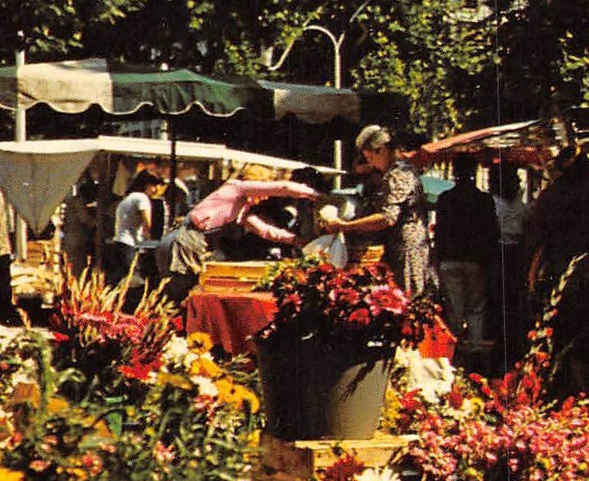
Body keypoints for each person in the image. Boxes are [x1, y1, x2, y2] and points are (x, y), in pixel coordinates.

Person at [522, 145, 589, 401]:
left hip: (558, 271)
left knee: (559, 332)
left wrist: (533, 274)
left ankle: (558, 390)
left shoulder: (548, 197)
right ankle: (587, 392)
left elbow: (537, 239)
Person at [159, 173, 322, 304]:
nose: (265, 197)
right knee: (180, 291)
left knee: (186, 292)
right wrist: (315, 195)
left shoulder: (241, 210)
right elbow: (283, 187)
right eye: (262, 192)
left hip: (184, 241)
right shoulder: (236, 187)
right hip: (184, 242)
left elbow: (264, 231)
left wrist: (296, 240)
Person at [322, 124, 432, 297]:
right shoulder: (394, 171)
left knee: (409, 305)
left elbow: (387, 218)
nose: (371, 164)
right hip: (399, 249)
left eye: (370, 158)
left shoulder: (400, 173)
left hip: (408, 252)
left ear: (381, 150)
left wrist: (344, 226)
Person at [434, 151, 503, 369]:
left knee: (454, 308)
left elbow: (439, 232)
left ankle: (452, 358)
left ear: (454, 172)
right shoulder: (484, 200)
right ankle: (474, 355)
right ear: (474, 171)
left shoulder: (445, 199)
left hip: (449, 260)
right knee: (476, 307)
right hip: (476, 260)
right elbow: (492, 233)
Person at [489, 157, 530, 369]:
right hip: (510, 254)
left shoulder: (498, 204)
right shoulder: (518, 205)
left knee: (503, 301)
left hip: (504, 253)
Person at [108, 170, 167, 282]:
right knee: (134, 281)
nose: (156, 190)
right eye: (154, 186)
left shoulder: (129, 197)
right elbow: (148, 225)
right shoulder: (141, 198)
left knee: (123, 280)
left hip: (120, 242)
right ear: (146, 185)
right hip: (129, 244)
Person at [59, 178, 98, 277]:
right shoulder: (77, 202)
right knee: (75, 268)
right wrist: (98, 223)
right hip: (75, 239)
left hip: (72, 237)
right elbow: (86, 219)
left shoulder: (73, 201)